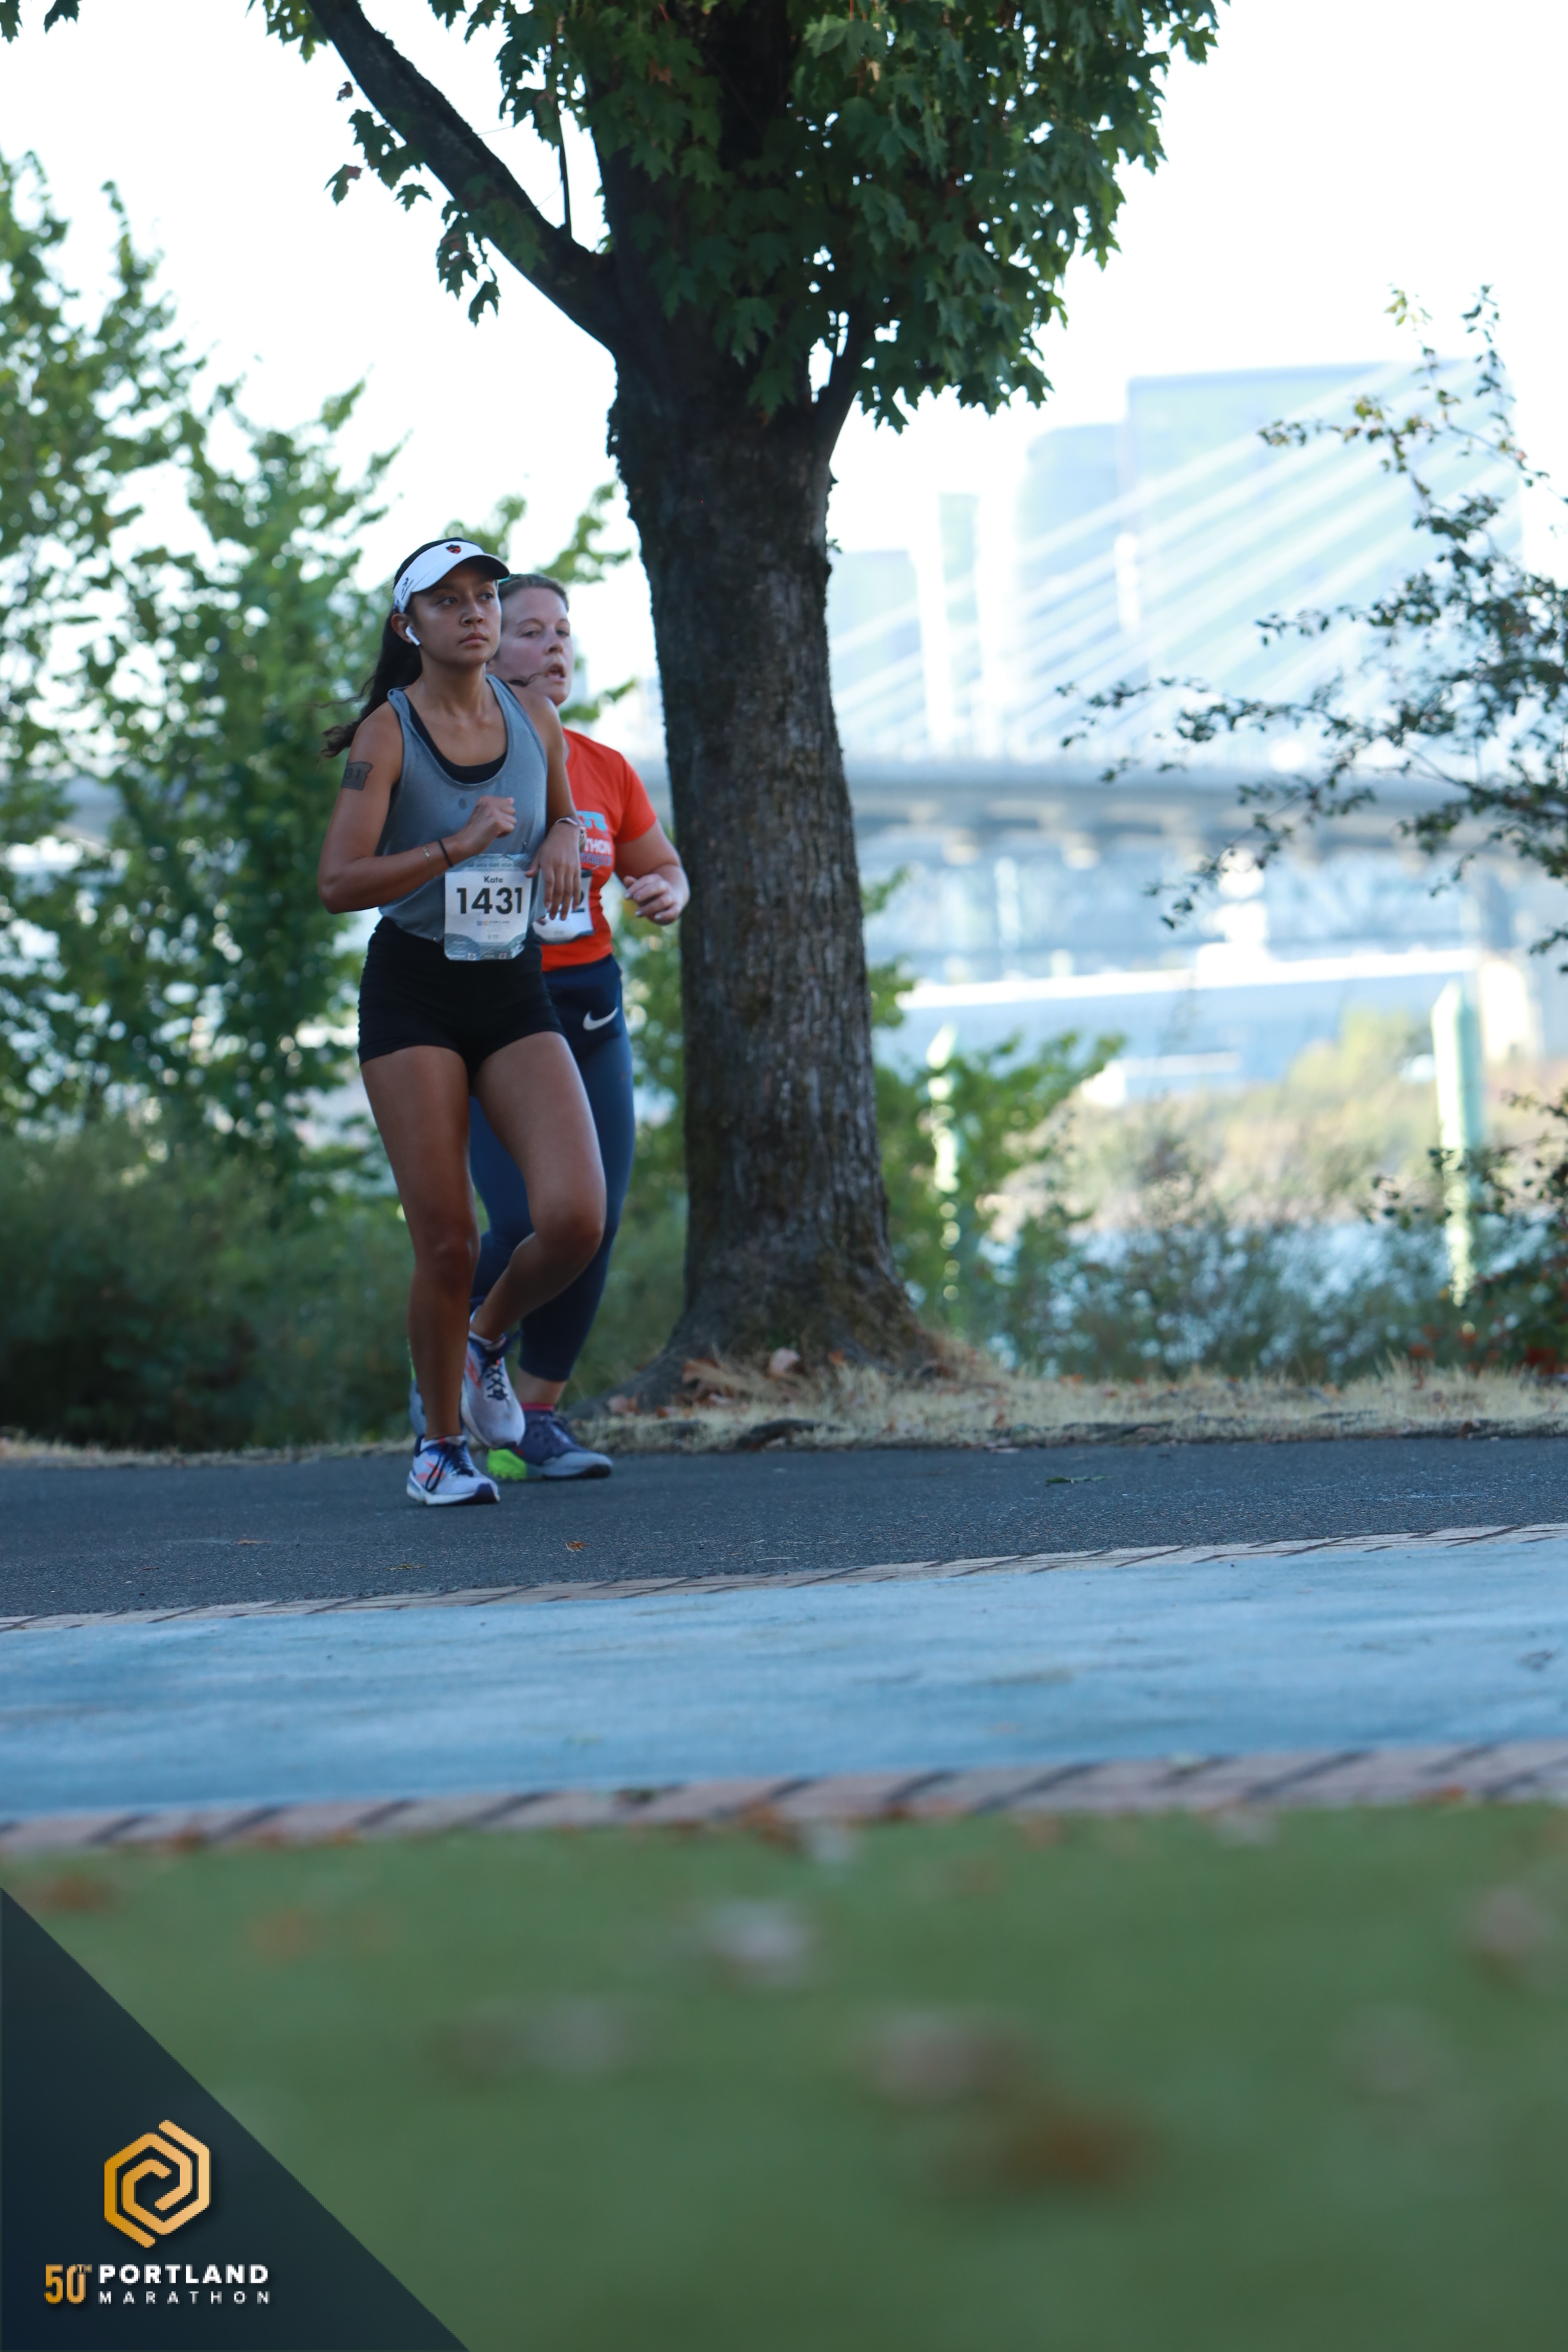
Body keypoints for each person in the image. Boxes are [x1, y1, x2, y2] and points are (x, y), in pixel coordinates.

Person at [318, 538, 606, 1506]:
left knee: (576, 1217)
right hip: (415, 993)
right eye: (448, 601)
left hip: (511, 988)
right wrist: (455, 845)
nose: (475, 612)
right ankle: (439, 1447)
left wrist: (563, 835)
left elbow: (563, 816)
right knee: (446, 1243)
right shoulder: (388, 734)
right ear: (410, 626)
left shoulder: (534, 717)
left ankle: (485, 1338)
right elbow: (338, 882)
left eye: (484, 595)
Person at [409, 569, 688, 1479]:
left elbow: (661, 864)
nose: (555, 645)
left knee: (589, 1224)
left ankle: (533, 1418)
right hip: (495, 1013)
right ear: (489, 649)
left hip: (591, 1011)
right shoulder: (453, 758)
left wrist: (667, 891)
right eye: (531, 630)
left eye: (563, 630)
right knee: (528, 1217)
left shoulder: (605, 765)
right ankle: (452, 1359)